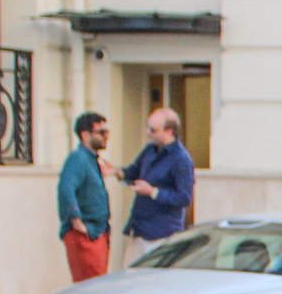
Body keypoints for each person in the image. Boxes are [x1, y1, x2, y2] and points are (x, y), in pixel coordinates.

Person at [119, 107, 196, 256]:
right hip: (139, 228)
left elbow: (184, 198)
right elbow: (133, 171)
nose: (148, 133)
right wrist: (117, 172)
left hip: (161, 233)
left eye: (153, 130)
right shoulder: (150, 150)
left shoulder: (181, 159)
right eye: (147, 128)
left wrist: (153, 192)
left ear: (169, 131)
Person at [56, 110, 112, 282]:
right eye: (101, 132)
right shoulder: (78, 159)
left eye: (107, 132)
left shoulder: (92, 160)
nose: (105, 137)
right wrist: (76, 221)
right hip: (86, 236)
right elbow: (66, 188)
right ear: (85, 135)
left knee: (97, 286)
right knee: (89, 289)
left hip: (97, 232)